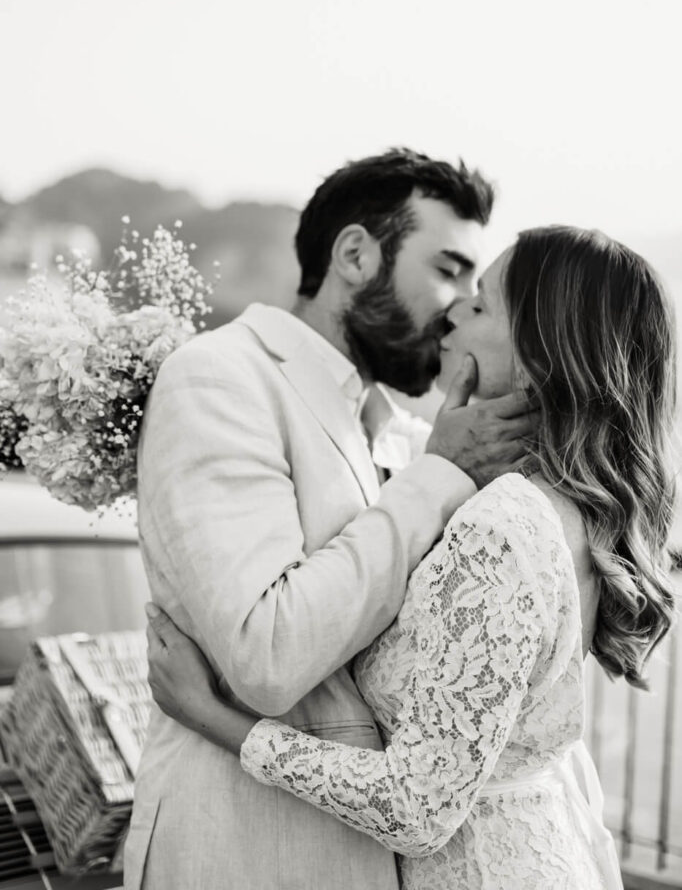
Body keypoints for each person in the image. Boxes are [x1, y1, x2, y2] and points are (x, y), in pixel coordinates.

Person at [146, 226, 677, 890]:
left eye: (481, 305)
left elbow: (416, 808)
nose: (454, 311)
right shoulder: (570, 508)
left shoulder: (506, 523)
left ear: (541, 354)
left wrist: (212, 716)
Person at [124, 149, 536, 890]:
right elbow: (268, 655)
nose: (458, 305)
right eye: (447, 270)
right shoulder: (222, 377)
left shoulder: (398, 428)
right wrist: (439, 475)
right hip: (245, 850)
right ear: (354, 254)